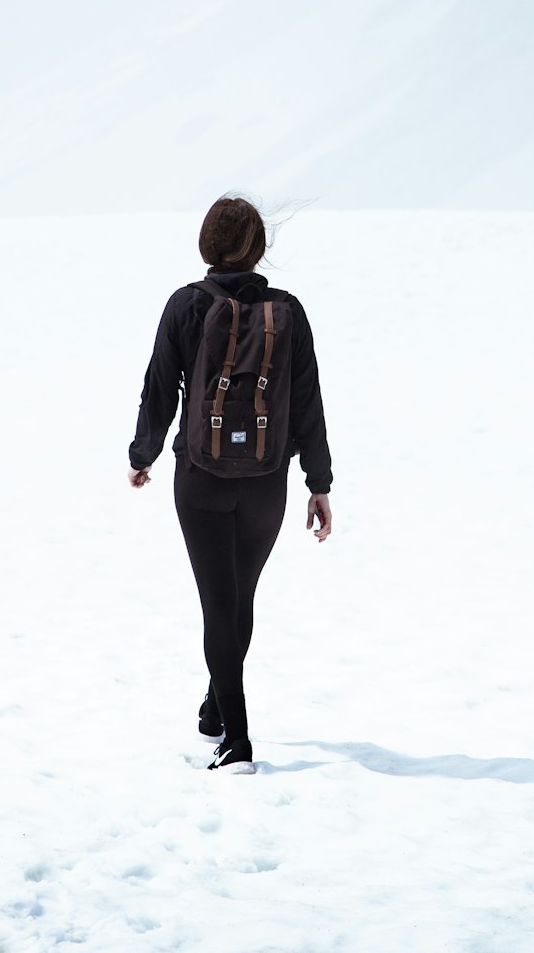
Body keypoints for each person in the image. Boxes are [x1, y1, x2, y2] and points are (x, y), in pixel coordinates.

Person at [127, 195, 332, 774]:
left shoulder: (186, 305)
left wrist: (143, 454)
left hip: (201, 481)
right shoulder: (287, 310)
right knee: (238, 598)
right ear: (259, 247)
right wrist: (319, 482)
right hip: (268, 482)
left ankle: (236, 740)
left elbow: (160, 388)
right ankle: (216, 709)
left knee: (221, 605)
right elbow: (309, 404)